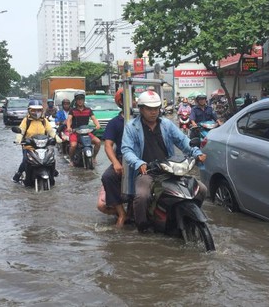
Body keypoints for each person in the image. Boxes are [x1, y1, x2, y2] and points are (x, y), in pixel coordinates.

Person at [121, 90, 208, 232]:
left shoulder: (167, 124)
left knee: (201, 189)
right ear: (141, 109)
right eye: (149, 109)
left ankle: (190, 216)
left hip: (169, 168)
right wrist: (139, 163)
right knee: (142, 197)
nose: (153, 112)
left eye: (156, 108)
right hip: (148, 171)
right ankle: (143, 227)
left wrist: (196, 153)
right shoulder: (132, 127)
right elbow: (126, 150)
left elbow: (183, 141)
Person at [98, 88, 128, 227]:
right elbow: (108, 145)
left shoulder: (142, 120)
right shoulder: (115, 123)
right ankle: (121, 214)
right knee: (107, 177)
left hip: (143, 159)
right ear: (120, 102)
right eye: (127, 99)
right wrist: (116, 162)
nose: (131, 101)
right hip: (122, 159)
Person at [12, 100, 59, 183]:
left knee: (51, 159)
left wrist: (57, 137)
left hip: (43, 146)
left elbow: (50, 130)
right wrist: (18, 139)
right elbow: (21, 130)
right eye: (34, 110)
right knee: (25, 161)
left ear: (42, 111)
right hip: (29, 146)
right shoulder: (26, 120)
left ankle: (52, 171)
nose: (36, 112)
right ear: (29, 110)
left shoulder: (44, 120)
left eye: (38, 110)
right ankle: (19, 174)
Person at [66, 93, 101, 165]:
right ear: (76, 101)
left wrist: (97, 125)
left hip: (86, 132)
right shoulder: (72, 110)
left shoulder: (88, 110)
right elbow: (69, 119)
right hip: (75, 132)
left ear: (84, 100)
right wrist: (69, 127)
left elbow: (94, 119)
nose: (80, 101)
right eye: (78, 99)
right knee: (73, 145)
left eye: (81, 99)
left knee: (98, 142)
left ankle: (94, 157)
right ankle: (71, 160)